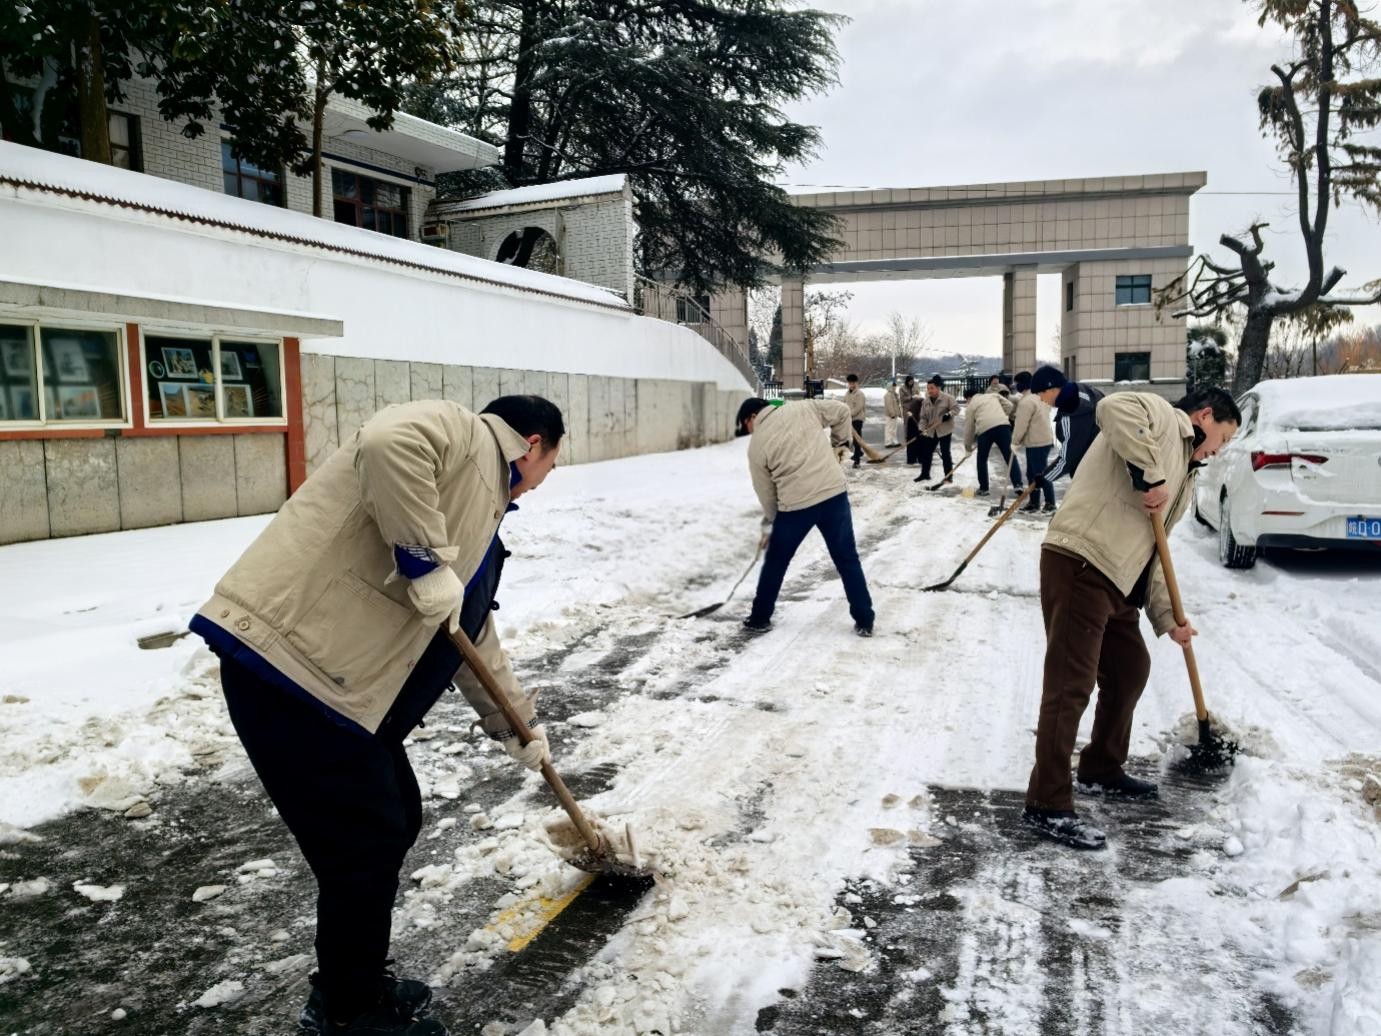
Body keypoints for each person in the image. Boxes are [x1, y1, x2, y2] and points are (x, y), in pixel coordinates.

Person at [189, 396, 566, 1036]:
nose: (550, 475)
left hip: (331, 688)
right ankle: (349, 1009)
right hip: (288, 668)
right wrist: (421, 558)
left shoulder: (479, 511)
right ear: (532, 444)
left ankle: (351, 981)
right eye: (554, 462)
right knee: (365, 841)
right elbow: (391, 439)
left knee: (390, 820)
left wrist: (517, 728)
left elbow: (470, 634)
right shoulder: (466, 435)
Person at [1023, 388, 1240, 850]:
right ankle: (1047, 803)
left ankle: (1101, 767)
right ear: (1205, 416)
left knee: (1129, 669)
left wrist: (1167, 618)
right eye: (1222, 437)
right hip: (1082, 559)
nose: (1219, 449)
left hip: (1119, 577)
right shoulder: (1163, 418)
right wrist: (1149, 472)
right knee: (1070, 685)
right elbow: (1110, 408)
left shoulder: (1185, 467)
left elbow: (1155, 551)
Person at [736, 397, 875, 637]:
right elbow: (842, 410)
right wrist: (840, 444)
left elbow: (766, 491)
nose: (748, 431)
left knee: (776, 562)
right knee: (847, 558)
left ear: (753, 417)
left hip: (796, 507)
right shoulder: (804, 407)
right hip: (834, 495)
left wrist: (774, 520)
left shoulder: (756, 445)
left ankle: (760, 618)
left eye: (745, 425)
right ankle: (864, 619)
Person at [1042, 372, 1105, 487]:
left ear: (1052, 390)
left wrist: (1045, 477)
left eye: (1041, 394)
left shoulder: (1071, 416)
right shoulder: (1089, 392)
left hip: (1087, 472)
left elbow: (1068, 458)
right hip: (1106, 465)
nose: (1042, 400)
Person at [1012, 366, 1057, 513]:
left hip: (1036, 442)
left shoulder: (1026, 402)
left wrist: (1015, 442)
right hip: (1044, 440)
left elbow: (1021, 425)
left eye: (1017, 383)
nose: (1015, 386)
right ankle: (1034, 502)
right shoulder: (1040, 397)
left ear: (1022, 384)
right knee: (1033, 474)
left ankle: (1050, 503)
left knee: (1040, 474)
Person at [962, 387, 1021, 498]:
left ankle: (984, 488)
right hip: (1003, 426)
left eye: (966, 400)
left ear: (969, 398)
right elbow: (1009, 405)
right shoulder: (993, 395)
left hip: (985, 431)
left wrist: (968, 448)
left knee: (982, 459)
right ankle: (1018, 485)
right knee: (1010, 456)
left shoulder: (971, 406)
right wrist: (999, 415)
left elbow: (968, 429)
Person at [910, 375, 958, 484]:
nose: (929, 390)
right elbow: (923, 417)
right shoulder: (926, 401)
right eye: (928, 388)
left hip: (944, 430)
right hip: (931, 431)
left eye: (931, 388)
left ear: (938, 388)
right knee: (926, 452)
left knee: (945, 453)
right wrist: (921, 429)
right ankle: (925, 474)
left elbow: (956, 408)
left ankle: (948, 476)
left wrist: (948, 414)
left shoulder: (947, 398)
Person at [844, 373, 867, 467]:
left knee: (857, 439)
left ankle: (857, 460)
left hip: (857, 419)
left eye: (853, 383)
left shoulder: (859, 394)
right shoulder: (847, 393)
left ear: (856, 383)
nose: (851, 385)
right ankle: (858, 453)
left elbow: (859, 407)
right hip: (849, 419)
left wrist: (849, 414)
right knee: (853, 438)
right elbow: (844, 404)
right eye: (850, 383)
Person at [898, 375, 919, 464]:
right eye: (910, 381)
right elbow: (902, 399)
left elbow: (918, 394)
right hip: (907, 409)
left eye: (912, 381)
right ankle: (908, 439)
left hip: (915, 409)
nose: (911, 383)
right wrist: (910, 397)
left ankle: (917, 455)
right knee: (908, 428)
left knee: (916, 427)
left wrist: (916, 397)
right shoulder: (902, 389)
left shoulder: (915, 387)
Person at [883, 379, 902, 447]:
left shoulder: (894, 395)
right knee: (889, 428)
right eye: (893, 386)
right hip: (890, 415)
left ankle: (894, 440)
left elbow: (897, 405)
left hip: (894, 415)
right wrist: (892, 414)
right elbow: (889, 405)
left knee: (894, 429)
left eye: (895, 386)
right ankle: (888, 442)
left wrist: (899, 413)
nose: (895, 388)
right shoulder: (888, 395)